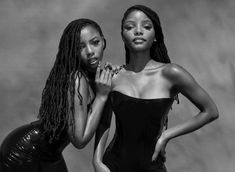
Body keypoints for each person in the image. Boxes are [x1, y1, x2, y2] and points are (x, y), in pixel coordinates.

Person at [93, 5, 219, 172]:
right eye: (130, 27)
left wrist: (166, 135)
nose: (138, 31)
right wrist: (97, 162)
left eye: (146, 26)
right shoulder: (114, 76)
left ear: (156, 36)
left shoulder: (171, 73)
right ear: (123, 35)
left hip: (152, 167)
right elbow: (103, 123)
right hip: (112, 166)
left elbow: (210, 111)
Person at [0, 18, 113, 172]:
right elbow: (79, 140)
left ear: (103, 42)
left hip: (51, 154)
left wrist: (98, 161)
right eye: (80, 47)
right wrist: (101, 96)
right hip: (25, 150)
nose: (90, 51)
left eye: (95, 42)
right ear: (73, 51)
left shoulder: (101, 78)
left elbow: (103, 122)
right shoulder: (77, 79)